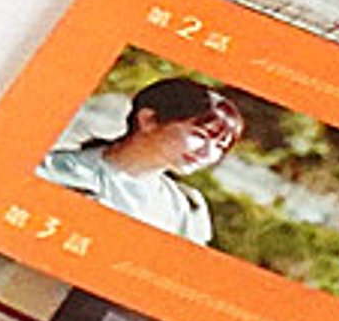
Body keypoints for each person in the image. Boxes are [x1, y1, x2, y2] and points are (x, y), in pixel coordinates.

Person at [40, 71, 248, 244]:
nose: (207, 153)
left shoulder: (187, 207)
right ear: (149, 120)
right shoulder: (62, 170)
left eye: (220, 147)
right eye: (199, 135)